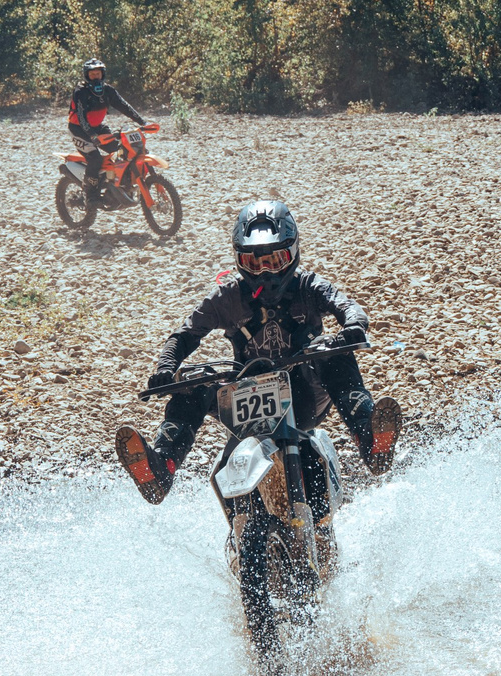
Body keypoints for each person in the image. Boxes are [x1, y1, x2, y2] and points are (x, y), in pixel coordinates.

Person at [114, 199, 401, 505]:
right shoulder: (226, 296)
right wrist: (165, 367)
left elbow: (347, 307)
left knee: (333, 353)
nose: (265, 272)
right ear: (239, 261)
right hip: (242, 395)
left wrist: (353, 327)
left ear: (292, 254)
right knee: (193, 381)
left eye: (274, 261)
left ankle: (371, 441)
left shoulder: (310, 285)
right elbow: (184, 335)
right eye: (254, 263)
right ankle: (161, 467)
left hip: (304, 394)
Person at [66, 58, 146, 203]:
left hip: (97, 127)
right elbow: (82, 116)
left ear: (103, 74)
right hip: (79, 129)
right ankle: (90, 195)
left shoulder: (108, 90)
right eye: (92, 74)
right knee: (95, 158)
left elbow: (124, 106)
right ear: (87, 75)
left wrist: (142, 122)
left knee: (119, 149)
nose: (95, 77)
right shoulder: (81, 91)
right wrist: (92, 135)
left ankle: (114, 182)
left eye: (98, 74)